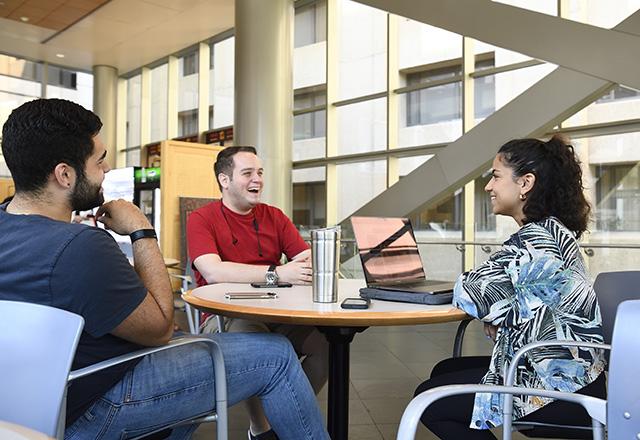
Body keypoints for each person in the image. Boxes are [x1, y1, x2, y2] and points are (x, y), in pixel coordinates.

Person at [0, 99, 329, 440]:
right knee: (275, 356)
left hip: (27, 408)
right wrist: (142, 230)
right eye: (99, 161)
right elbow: (160, 328)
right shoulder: (80, 246)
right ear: (64, 174)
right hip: (95, 401)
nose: (107, 169)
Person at [414, 136, 606, 439]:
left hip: (557, 387)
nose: (489, 186)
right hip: (578, 375)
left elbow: (472, 291)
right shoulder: (551, 230)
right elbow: (505, 295)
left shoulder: (536, 239)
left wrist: (493, 309)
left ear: (525, 183)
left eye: (496, 175)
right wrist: (500, 312)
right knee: (445, 371)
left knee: (428, 401)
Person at [187, 146, 329, 439]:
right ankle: (260, 429)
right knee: (254, 338)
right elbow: (213, 271)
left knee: (327, 345)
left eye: (260, 172)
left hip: (277, 310)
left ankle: (284, 414)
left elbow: (307, 257)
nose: (258, 179)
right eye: (248, 173)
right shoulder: (201, 218)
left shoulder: (273, 216)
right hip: (224, 315)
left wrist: (310, 259)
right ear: (224, 180)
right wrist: (276, 273)